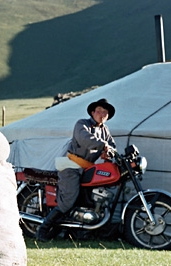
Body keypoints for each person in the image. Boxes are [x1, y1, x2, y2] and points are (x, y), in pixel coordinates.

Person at [36, 98, 117, 241]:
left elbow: (112, 145)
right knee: (69, 199)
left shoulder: (105, 130)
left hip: (88, 168)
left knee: (87, 197)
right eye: (99, 111)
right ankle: (43, 229)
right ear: (92, 112)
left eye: (105, 112)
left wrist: (110, 152)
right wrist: (104, 146)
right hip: (71, 165)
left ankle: (76, 229)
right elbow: (86, 139)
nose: (102, 114)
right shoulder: (82, 124)